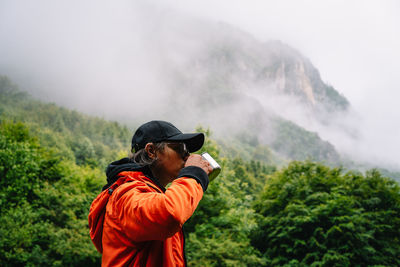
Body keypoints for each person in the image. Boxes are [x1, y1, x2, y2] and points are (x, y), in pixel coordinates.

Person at [88, 120, 212, 266]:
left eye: (187, 151)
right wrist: (193, 174)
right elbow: (170, 213)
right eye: (180, 148)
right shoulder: (126, 194)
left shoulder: (151, 193)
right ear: (151, 151)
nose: (187, 156)